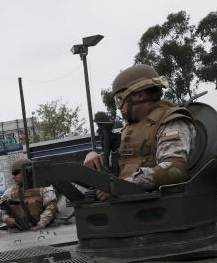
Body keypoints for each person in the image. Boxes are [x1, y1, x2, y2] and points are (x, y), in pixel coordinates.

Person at [83, 64, 196, 201]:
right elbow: (127, 161)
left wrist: (120, 186)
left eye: (120, 99)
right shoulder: (131, 128)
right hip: (128, 206)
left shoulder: (171, 121)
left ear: (140, 95)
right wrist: (95, 157)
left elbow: (174, 169)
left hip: (160, 207)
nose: (119, 107)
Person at [0, 158, 59, 230]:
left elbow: (52, 207)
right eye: (12, 173)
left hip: (42, 228)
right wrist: (6, 218)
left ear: (28, 172)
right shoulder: (10, 192)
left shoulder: (44, 188)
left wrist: (41, 224)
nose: (13, 176)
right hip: (18, 231)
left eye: (16, 173)